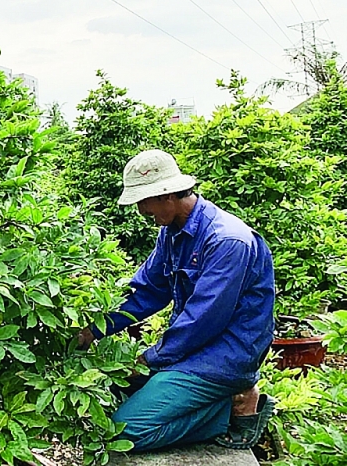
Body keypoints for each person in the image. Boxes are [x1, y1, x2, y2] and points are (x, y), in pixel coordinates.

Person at [77, 149, 275, 451]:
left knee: (119, 435)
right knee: (115, 395)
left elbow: (203, 319)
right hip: (191, 351)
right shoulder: (171, 231)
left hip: (223, 358)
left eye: (144, 202)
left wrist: (149, 358)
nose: (142, 211)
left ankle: (232, 406)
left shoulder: (227, 241)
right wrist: (94, 329)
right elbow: (147, 290)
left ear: (167, 195)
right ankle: (213, 400)